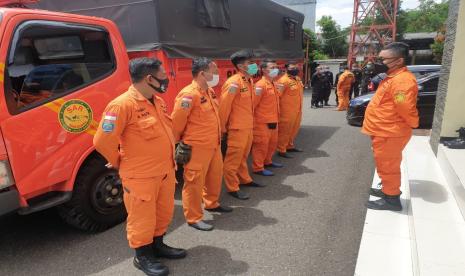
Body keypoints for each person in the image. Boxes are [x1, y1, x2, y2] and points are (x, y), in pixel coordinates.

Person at [93, 57, 186, 276]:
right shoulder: (122, 105)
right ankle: (142, 256)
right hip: (140, 176)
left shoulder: (157, 101)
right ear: (149, 78)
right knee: (142, 218)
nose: (166, 79)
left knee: (163, 213)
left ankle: (158, 246)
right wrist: (118, 162)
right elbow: (101, 141)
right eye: (163, 76)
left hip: (165, 171)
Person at [171, 57, 233, 232]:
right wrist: (176, 145)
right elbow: (176, 124)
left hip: (213, 144)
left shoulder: (209, 92)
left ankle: (212, 203)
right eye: (214, 70)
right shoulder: (188, 95)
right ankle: (193, 217)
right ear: (202, 74)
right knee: (194, 183)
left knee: (214, 177)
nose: (217, 74)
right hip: (197, 147)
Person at [363, 42, 419, 211]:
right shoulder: (392, 77)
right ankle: (387, 189)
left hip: (390, 132)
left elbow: (405, 108)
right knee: (384, 164)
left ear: (399, 60)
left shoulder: (402, 81)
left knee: (389, 166)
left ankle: (392, 199)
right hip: (383, 130)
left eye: (383, 59)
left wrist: (413, 123)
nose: (379, 62)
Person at [219, 50, 265, 201]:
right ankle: (233, 187)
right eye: (250, 63)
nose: (254, 65)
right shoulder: (234, 83)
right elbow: (224, 107)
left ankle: (245, 179)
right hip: (237, 128)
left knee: (243, 156)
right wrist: (222, 128)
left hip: (248, 126)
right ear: (240, 66)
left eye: (253, 62)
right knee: (233, 159)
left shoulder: (249, 80)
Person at [251, 59, 283, 176]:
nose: (276, 69)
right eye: (272, 67)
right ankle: (258, 168)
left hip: (273, 119)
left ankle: (268, 161)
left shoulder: (273, 84)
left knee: (272, 143)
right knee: (261, 145)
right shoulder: (260, 85)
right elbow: (253, 105)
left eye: (276, 67)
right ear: (264, 70)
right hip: (262, 122)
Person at [276, 61, 304, 158]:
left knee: (294, 129)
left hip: (297, 110)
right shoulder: (282, 81)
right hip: (286, 112)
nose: (295, 69)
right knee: (285, 131)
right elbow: (277, 97)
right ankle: (281, 149)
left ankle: (289, 146)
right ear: (286, 69)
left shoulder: (297, 79)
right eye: (292, 68)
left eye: (296, 67)